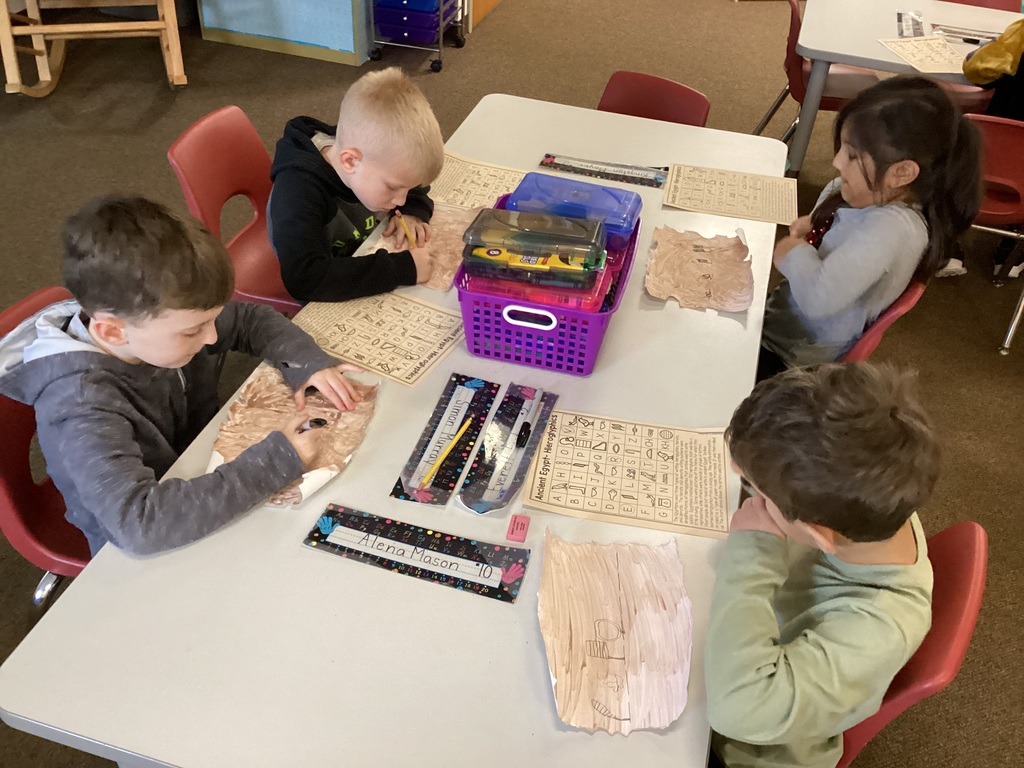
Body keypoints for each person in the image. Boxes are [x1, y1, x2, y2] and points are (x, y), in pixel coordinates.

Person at [0, 196, 363, 557]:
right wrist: (276, 461)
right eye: (193, 331)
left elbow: (250, 319)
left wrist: (306, 363)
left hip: (199, 468)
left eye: (211, 321)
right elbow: (141, 524)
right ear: (112, 331)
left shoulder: (156, 321)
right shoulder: (79, 408)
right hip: (151, 539)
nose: (212, 337)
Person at [706, 362, 938, 768]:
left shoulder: (879, 629)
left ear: (818, 535)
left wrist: (754, 552)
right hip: (731, 647)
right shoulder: (868, 504)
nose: (750, 494)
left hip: (748, 746)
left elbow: (738, 711)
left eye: (755, 491)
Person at [757, 76, 982, 380]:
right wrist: (815, 224)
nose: (837, 162)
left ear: (902, 173)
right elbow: (837, 212)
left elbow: (818, 298)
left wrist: (792, 252)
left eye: (852, 155)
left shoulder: (892, 230)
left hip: (792, 359)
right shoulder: (868, 197)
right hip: (780, 324)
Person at [268, 66, 445, 303]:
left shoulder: (375, 158)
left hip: (361, 255)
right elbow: (306, 278)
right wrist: (403, 269)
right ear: (350, 161)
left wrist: (412, 210)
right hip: (326, 284)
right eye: (393, 188)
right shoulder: (297, 193)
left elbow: (411, 182)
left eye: (407, 190)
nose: (400, 200)